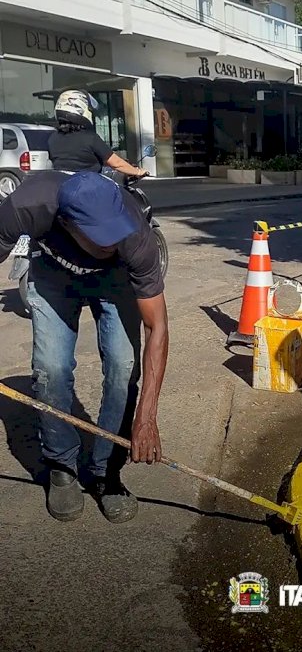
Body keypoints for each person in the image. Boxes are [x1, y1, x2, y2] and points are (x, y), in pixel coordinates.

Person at [0, 170, 169, 523]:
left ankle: (106, 471)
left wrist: (147, 417)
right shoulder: (28, 205)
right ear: (65, 222)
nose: (111, 242)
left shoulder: (135, 238)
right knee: (52, 368)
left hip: (115, 280)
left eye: (114, 231)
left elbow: (157, 326)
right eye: (100, 237)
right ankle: (62, 466)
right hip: (52, 274)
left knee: (123, 368)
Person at [48, 90, 148, 176]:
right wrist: (137, 171)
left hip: (61, 185)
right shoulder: (90, 138)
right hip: (88, 187)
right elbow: (116, 163)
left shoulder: (53, 138)